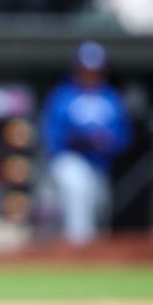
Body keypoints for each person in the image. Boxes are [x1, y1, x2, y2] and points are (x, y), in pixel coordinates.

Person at [40, 40, 131, 246]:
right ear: (77, 69)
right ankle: (77, 254)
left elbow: (123, 136)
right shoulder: (63, 96)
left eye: (95, 69)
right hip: (70, 160)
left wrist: (106, 142)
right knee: (78, 198)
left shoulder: (110, 98)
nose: (90, 73)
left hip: (99, 164)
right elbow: (52, 134)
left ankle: (91, 259)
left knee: (100, 209)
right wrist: (80, 139)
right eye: (85, 69)